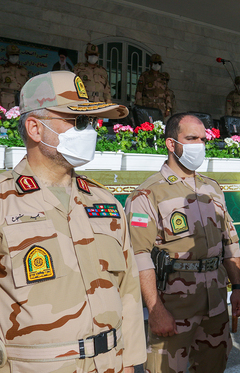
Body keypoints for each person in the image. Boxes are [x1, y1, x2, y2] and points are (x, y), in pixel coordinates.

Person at [0, 70, 146, 372]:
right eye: (77, 121)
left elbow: (128, 289)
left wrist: (130, 363)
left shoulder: (104, 202)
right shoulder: (5, 200)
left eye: (90, 122)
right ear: (35, 128)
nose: (89, 131)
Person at [125, 113, 240, 373]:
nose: (199, 145)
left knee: (214, 367)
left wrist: (237, 287)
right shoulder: (148, 193)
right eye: (191, 138)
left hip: (215, 303)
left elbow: (229, 242)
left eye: (203, 139)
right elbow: (139, 255)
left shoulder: (212, 189)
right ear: (171, 144)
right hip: (174, 305)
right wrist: (155, 310)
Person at [0, 44, 29, 110]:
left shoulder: (23, 70)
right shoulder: (1, 69)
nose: (15, 57)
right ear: (7, 55)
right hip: (6, 99)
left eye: (16, 55)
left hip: (20, 100)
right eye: (12, 55)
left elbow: (28, 86)